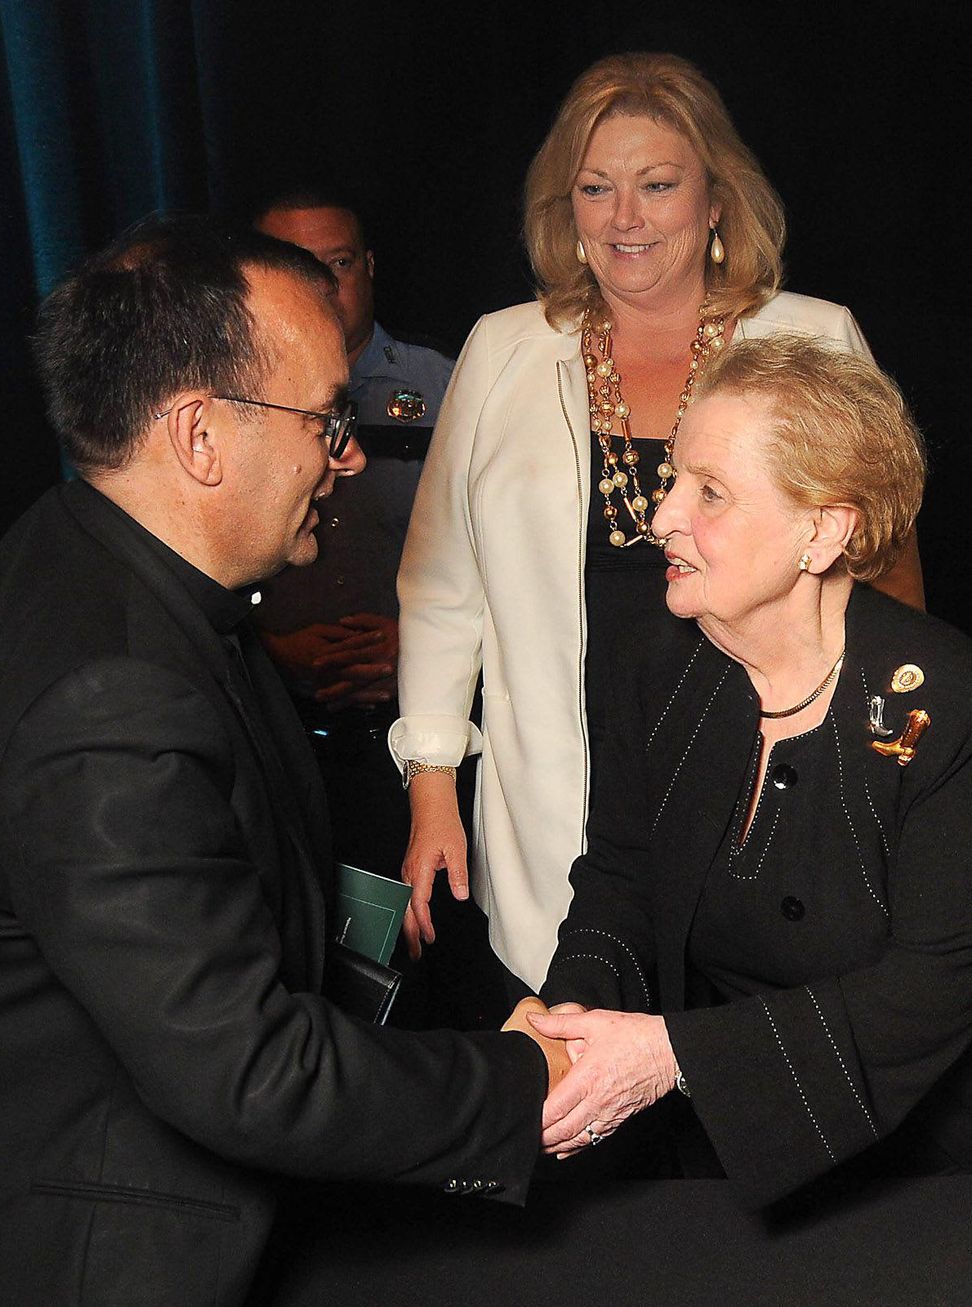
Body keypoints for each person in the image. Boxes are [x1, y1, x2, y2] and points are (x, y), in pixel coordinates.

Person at [0, 216, 567, 1307]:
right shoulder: (110, 695)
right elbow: (249, 1074)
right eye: (326, 419)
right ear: (200, 436)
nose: (346, 455)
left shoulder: (92, 561)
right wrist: (527, 1074)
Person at [392, 51, 925, 995]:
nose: (624, 217)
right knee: (575, 1081)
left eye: (657, 184)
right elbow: (443, 585)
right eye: (595, 188)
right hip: (557, 797)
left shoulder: (813, 335)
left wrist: (880, 785)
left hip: (768, 785)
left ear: (717, 200)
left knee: (742, 1073)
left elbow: (888, 590)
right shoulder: (502, 347)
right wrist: (433, 779)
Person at [531, 335, 972, 1208]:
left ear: (822, 531)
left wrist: (671, 1058)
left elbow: (931, 989)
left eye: (711, 494)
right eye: (675, 481)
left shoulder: (948, 704)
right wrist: (564, 1031)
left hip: (920, 1174)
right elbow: (621, 879)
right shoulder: (656, 660)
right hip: (710, 1160)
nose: (661, 519)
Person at [253, 191, 454, 878]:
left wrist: (422, 650)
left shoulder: (448, 388)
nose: (322, 287)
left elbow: (500, 561)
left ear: (368, 266)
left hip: (417, 739)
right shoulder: (227, 400)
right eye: (294, 266)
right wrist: (267, 652)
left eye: (337, 263)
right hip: (276, 729)